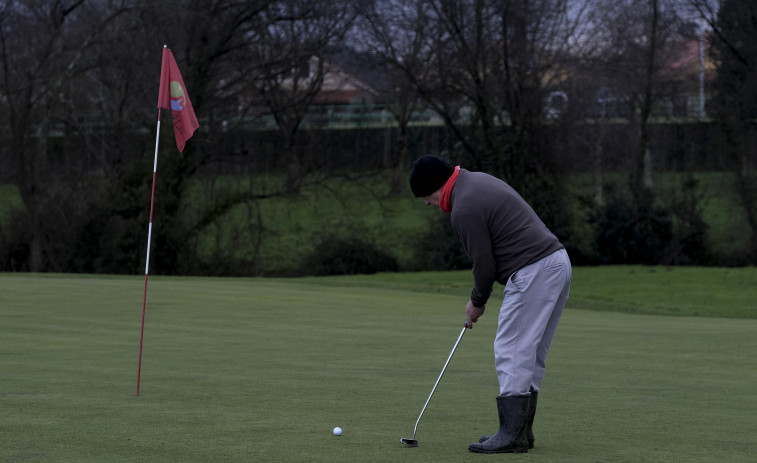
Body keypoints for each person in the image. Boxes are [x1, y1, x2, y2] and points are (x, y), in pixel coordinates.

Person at [409, 154, 572, 454]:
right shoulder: (475, 180)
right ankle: (520, 432)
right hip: (556, 262)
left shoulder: (463, 208)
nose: (426, 204)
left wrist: (477, 302)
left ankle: (512, 434)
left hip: (532, 269)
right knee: (531, 351)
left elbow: (483, 263)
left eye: (425, 197)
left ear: (435, 188)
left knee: (511, 348)